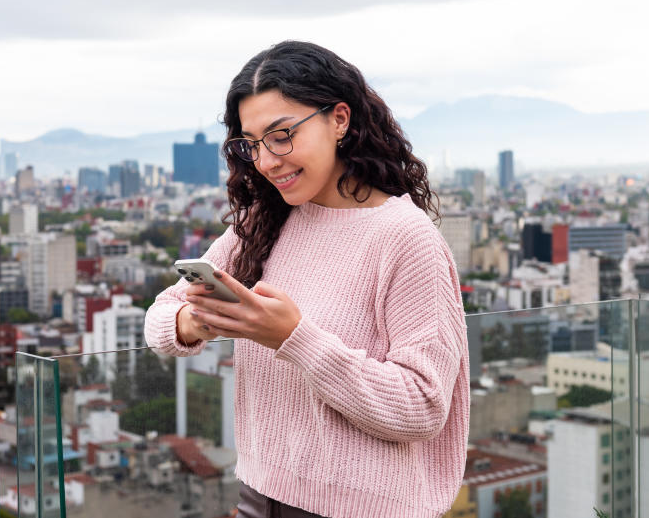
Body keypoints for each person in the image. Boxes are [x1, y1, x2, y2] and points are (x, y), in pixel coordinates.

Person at [144, 40, 470, 518]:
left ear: (340, 119)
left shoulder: (405, 238)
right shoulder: (263, 224)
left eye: (282, 135)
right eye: (252, 144)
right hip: (259, 497)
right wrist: (201, 320)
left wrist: (293, 338)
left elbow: (421, 406)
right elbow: (158, 321)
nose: (267, 160)